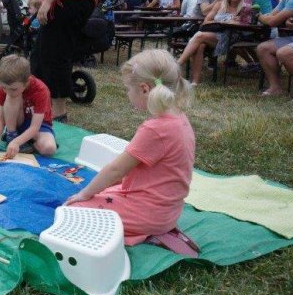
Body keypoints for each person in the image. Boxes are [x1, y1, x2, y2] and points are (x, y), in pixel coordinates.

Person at [65, 49, 195, 245]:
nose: (127, 94)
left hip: (151, 215)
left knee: (72, 210)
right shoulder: (179, 118)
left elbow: (116, 170)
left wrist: (84, 194)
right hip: (168, 210)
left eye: (128, 89)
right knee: (103, 191)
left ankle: (142, 233)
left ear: (144, 88)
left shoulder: (155, 128)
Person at [176, 0, 247, 85]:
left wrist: (238, 21)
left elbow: (248, 24)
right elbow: (206, 21)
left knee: (199, 36)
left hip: (234, 37)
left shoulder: (246, 7)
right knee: (200, 45)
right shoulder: (219, 5)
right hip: (216, 35)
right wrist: (222, 21)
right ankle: (195, 81)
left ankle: (177, 65)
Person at [0, 55, 56, 157]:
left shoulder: (41, 90)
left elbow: (35, 127)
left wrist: (17, 142)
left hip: (38, 125)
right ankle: (11, 134)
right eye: (4, 87)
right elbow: (0, 120)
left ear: (27, 81)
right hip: (17, 122)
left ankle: (26, 143)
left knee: (49, 148)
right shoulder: (5, 88)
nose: (7, 91)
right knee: (12, 96)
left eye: (14, 89)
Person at [257, 0, 293, 101]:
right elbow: (271, 15)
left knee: (284, 53)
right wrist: (266, 17)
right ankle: (276, 88)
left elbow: (271, 21)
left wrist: (257, 15)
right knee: (263, 48)